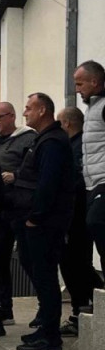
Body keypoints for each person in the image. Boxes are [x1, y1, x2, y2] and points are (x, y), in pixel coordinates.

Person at [12, 93, 74, 350]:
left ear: (42, 111)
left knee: (46, 275)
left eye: (28, 109)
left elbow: (48, 184)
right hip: (38, 220)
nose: (24, 113)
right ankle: (45, 328)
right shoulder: (44, 139)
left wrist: (35, 217)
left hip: (45, 222)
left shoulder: (53, 142)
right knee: (38, 272)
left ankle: (50, 337)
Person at [0, 102, 35, 332]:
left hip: (23, 208)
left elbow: (35, 169)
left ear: (12, 116)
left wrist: (15, 176)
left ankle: (45, 309)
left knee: (29, 259)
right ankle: (5, 309)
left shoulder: (28, 139)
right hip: (0, 209)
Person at [57, 106, 103, 336]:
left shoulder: (76, 148)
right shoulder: (79, 145)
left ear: (67, 124)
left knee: (75, 263)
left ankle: (84, 307)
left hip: (77, 215)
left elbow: (74, 180)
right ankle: (85, 305)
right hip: (79, 212)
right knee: (75, 263)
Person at [74, 60, 105, 301]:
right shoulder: (93, 107)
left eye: (80, 83)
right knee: (91, 228)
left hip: (102, 181)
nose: (77, 89)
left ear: (95, 82)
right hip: (91, 182)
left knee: (96, 222)